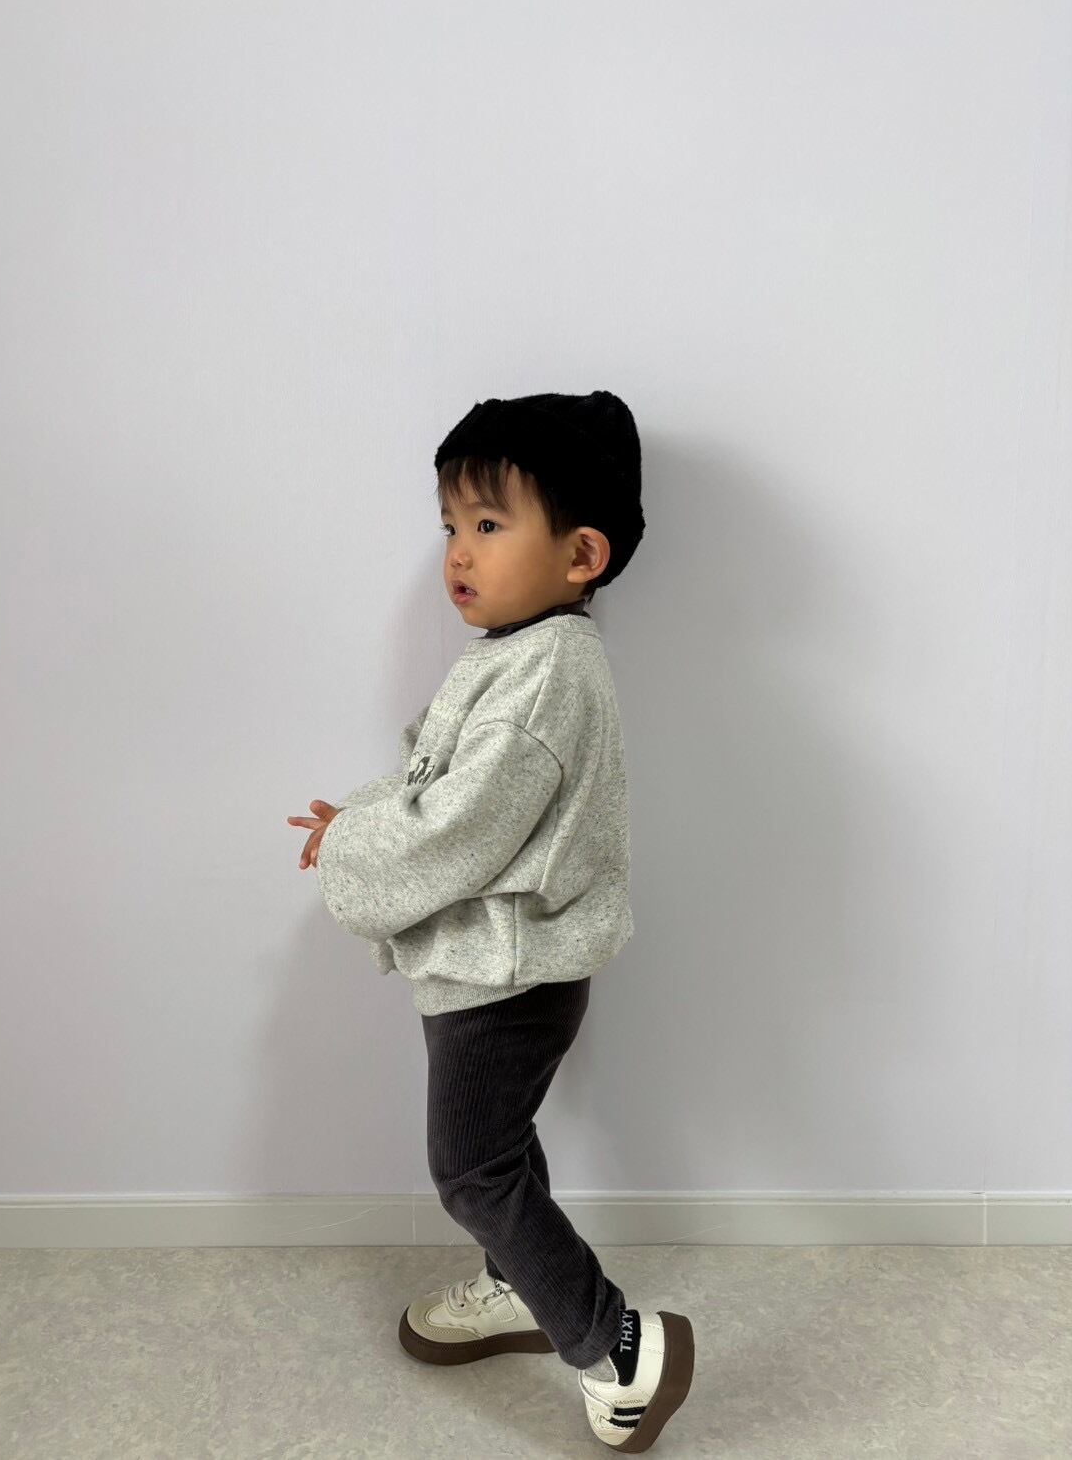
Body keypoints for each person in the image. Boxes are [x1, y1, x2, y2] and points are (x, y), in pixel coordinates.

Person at [287, 391, 694, 1451]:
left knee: (471, 1168)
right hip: (497, 963)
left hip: (506, 979)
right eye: (449, 526)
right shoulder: (522, 653)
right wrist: (357, 817)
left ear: (582, 554)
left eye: (487, 523)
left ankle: (618, 1347)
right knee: (498, 1148)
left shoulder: (544, 674)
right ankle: (516, 1282)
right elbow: (435, 777)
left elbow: (456, 830)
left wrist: (354, 850)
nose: (457, 553)